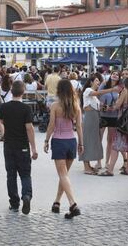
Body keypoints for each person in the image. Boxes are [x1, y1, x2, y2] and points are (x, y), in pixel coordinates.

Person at [44, 79, 83, 219]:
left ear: (59, 91)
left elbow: (51, 126)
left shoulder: (55, 106)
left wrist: (46, 140)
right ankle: (57, 202)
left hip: (59, 141)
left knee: (63, 175)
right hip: (71, 141)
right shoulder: (76, 105)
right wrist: (81, 144)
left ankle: (73, 204)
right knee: (64, 175)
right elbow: (79, 126)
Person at [0, 80, 38, 215]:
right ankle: (26, 195)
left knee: (11, 175)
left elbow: (2, 121)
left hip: (9, 145)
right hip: (23, 146)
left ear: (11, 91)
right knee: (25, 174)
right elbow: (30, 129)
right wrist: (34, 148)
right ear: (23, 92)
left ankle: (14, 203)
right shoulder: (26, 109)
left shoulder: (4, 107)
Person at [99, 77, 128, 176]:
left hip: (124, 122)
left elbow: (117, 105)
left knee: (116, 145)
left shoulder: (125, 91)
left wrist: (106, 107)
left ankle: (110, 170)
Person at [79, 76, 119, 174]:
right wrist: (111, 89)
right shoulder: (88, 90)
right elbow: (97, 93)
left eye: (99, 81)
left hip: (94, 119)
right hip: (89, 119)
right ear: (91, 82)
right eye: (97, 80)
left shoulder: (93, 96)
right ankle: (86, 167)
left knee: (91, 141)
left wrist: (109, 108)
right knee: (87, 141)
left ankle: (88, 165)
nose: (98, 82)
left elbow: (100, 106)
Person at [99, 71, 120, 169]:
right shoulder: (103, 85)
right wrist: (103, 106)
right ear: (110, 75)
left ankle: (107, 162)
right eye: (113, 73)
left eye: (117, 74)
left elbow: (121, 101)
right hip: (102, 115)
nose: (115, 75)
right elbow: (97, 96)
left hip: (113, 116)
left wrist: (114, 107)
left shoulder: (120, 88)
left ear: (119, 77)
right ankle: (98, 161)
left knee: (110, 140)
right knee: (99, 139)